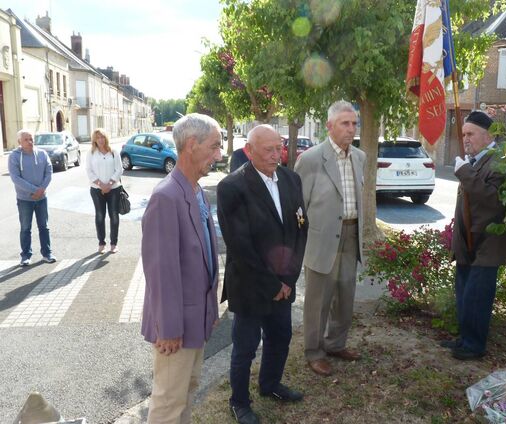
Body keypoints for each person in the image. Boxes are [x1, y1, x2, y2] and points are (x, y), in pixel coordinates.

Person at [217, 125, 308, 424]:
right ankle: (239, 402)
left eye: (278, 147)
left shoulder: (292, 179)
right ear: (249, 152)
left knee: (280, 336)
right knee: (245, 347)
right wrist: (272, 284)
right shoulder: (233, 187)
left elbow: (300, 230)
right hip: (250, 284)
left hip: (284, 283)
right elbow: (240, 245)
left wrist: (288, 280)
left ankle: (270, 385)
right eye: (268, 149)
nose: (275, 154)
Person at [141, 113, 222, 423]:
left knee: (187, 390)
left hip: (195, 317)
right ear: (192, 145)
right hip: (176, 327)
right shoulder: (166, 197)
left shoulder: (195, 189)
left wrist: (209, 310)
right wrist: (170, 329)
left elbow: (202, 257)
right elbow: (161, 273)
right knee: (168, 403)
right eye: (214, 147)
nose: (219, 154)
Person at [294, 100, 366, 377]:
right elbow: (298, 206)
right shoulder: (311, 159)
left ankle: (336, 344)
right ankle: (314, 351)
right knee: (318, 300)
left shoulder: (359, 157)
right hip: (321, 238)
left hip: (351, 233)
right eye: (345, 124)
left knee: (345, 295)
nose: (351, 129)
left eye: (354, 123)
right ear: (329, 126)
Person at [442, 111, 506, 360]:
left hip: (487, 243)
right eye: (463, 134)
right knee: (464, 294)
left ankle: (475, 345)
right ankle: (464, 339)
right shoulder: (473, 161)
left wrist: (465, 173)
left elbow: (492, 201)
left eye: (470, 134)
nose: (466, 139)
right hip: (467, 241)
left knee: (477, 296)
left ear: (488, 135)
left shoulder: (500, 162)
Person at [8, 129, 56, 266]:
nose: (30, 142)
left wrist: (42, 190)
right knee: (25, 228)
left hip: (42, 198)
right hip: (24, 199)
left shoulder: (42, 154)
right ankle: (26, 256)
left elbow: (49, 172)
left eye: (31, 139)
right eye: (26, 140)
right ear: (19, 142)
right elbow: (15, 178)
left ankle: (47, 254)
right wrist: (35, 190)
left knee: (44, 227)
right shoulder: (14, 156)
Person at [85, 129, 123, 254]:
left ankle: (114, 243)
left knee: (114, 215)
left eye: (102, 137)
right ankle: (101, 243)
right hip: (97, 190)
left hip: (114, 189)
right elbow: (89, 171)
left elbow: (119, 169)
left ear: (106, 138)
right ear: (94, 140)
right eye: (98, 138)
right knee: (100, 215)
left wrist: (110, 184)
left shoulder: (113, 152)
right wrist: (101, 185)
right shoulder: (91, 153)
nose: (100, 140)